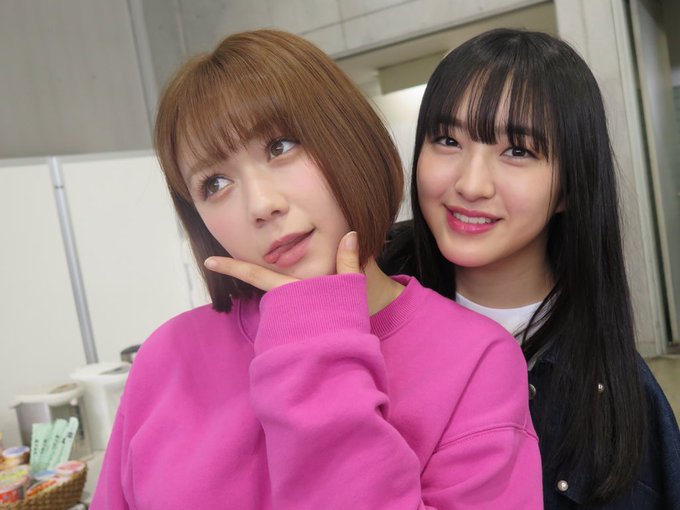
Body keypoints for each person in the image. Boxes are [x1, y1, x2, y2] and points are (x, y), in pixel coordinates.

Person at [90, 29, 541, 509]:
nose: (261, 205)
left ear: (348, 137)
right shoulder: (168, 357)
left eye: (280, 147)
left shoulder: (477, 361)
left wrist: (313, 338)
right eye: (215, 183)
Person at [380, 28, 680, 509]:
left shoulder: (621, 402)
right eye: (447, 140)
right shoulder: (361, 307)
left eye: (518, 151)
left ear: (569, 187)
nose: (471, 184)